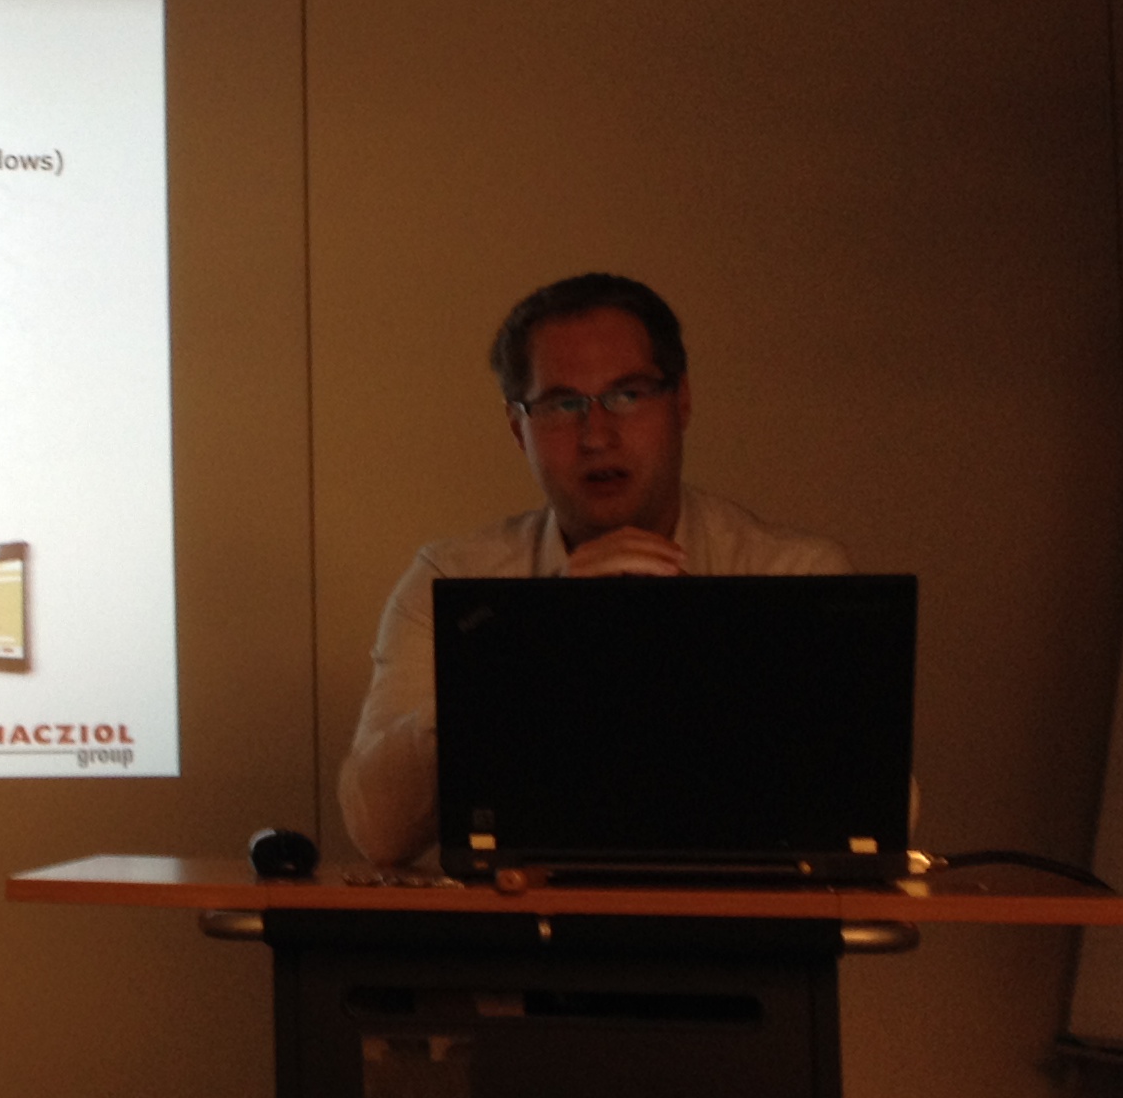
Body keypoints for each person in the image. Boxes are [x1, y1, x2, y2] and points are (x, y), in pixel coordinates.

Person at [337, 272, 852, 869]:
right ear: (518, 429)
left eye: (628, 395)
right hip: (522, 924)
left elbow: (877, 813)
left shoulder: (794, 574)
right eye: (562, 405)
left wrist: (711, 642)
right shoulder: (451, 579)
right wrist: (536, 640)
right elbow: (378, 832)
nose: (597, 435)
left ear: (682, 401)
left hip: (744, 924)